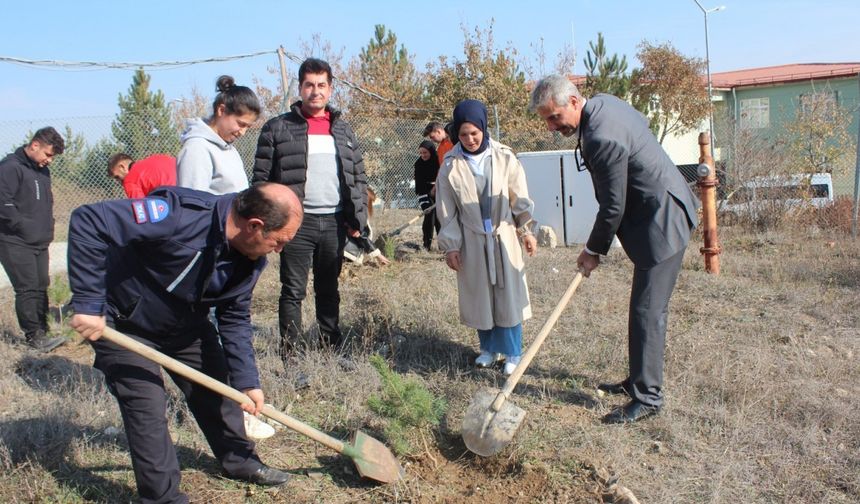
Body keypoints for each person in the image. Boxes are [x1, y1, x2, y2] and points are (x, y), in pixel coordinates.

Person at [67, 183, 302, 503]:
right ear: (255, 226)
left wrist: (248, 382)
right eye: (279, 241)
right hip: (122, 323)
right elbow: (89, 220)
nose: (279, 250)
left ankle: (240, 461)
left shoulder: (249, 260)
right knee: (147, 406)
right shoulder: (179, 216)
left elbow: (234, 318)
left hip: (185, 326)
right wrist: (89, 303)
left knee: (218, 389)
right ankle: (163, 498)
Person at [530, 75, 700, 424]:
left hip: (662, 221)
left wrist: (593, 251)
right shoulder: (604, 103)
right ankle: (638, 379)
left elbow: (612, 206)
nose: (551, 127)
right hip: (660, 209)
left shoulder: (600, 137)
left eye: (554, 117)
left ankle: (648, 398)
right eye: (546, 119)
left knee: (647, 311)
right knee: (642, 308)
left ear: (574, 102)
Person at [252, 58, 368, 356]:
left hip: (334, 223)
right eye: (309, 85)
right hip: (295, 226)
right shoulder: (277, 129)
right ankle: (292, 352)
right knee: (293, 291)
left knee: (329, 289)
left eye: (321, 85)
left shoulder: (343, 130)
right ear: (300, 88)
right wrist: (269, 225)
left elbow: (357, 176)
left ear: (330, 89)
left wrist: (357, 217)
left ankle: (330, 347)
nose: (315, 91)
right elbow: (261, 182)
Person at [436, 99, 538, 376]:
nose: (469, 139)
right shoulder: (450, 164)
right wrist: (451, 246)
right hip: (471, 238)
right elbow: (447, 211)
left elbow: (520, 197)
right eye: (463, 134)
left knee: (508, 295)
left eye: (474, 133)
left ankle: (513, 352)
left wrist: (526, 231)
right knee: (479, 294)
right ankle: (488, 350)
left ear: (483, 128)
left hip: (502, 235)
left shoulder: (504, 156)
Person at [0, 127, 66, 352]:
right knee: (27, 288)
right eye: (48, 154)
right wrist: (23, 226)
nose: (49, 160)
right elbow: (4, 204)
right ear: (35, 145)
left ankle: (44, 330)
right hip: (14, 241)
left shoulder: (41, 170)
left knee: (40, 285)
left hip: (39, 241)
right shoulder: (10, 168)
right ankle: (34, 337)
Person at [177, 75, 260, 194]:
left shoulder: (229, 149)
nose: (243, 132)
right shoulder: (197, 149)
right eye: (241, 124)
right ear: (221, 110)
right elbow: (192, 204)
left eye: (248, 127)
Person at [107, 152, 177, 198]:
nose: (119, 181)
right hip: (186, 190)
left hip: (174, 200)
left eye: (117, 177)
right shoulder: (158, 157)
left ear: (122, 167)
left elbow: (141, 209)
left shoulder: (129, 180)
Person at [414, 140, 441, 250]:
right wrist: (428, 193)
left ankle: (443, 245)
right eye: (421, 153)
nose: (423, 155)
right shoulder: (419, 164)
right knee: (430, 215)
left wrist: (436, 188)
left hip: (439, 191)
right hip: (424, 193)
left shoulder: (438, 161)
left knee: (440, 218)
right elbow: (419, 184)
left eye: (425, 152)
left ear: (431, 151)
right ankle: (427, 244)